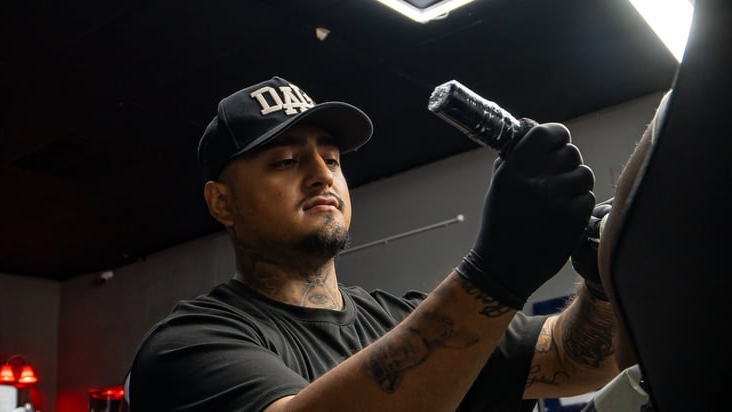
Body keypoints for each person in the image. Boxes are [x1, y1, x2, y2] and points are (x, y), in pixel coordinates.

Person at [127, 76, 620, 411]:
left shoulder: (402, 318)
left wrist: (601, 284)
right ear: (222, 202)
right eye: (286, 162)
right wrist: (496, 274)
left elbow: (575, 361)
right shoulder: (188, 346)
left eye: (332, 160)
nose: (322, 175)